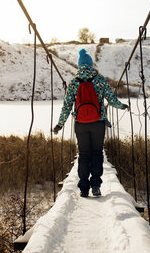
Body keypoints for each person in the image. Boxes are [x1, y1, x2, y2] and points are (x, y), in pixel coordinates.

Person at [53, 48, 128, 197]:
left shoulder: (74, 82)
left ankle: (83, 188)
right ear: (91, 65)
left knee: (84, 154)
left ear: (80, 65)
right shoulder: (100, 80)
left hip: (81, 124)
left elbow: (67, 106)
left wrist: (59, 124)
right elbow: (111, 99)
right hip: (98, 123)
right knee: (97, 154)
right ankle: (95, 186)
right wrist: (122, 106)